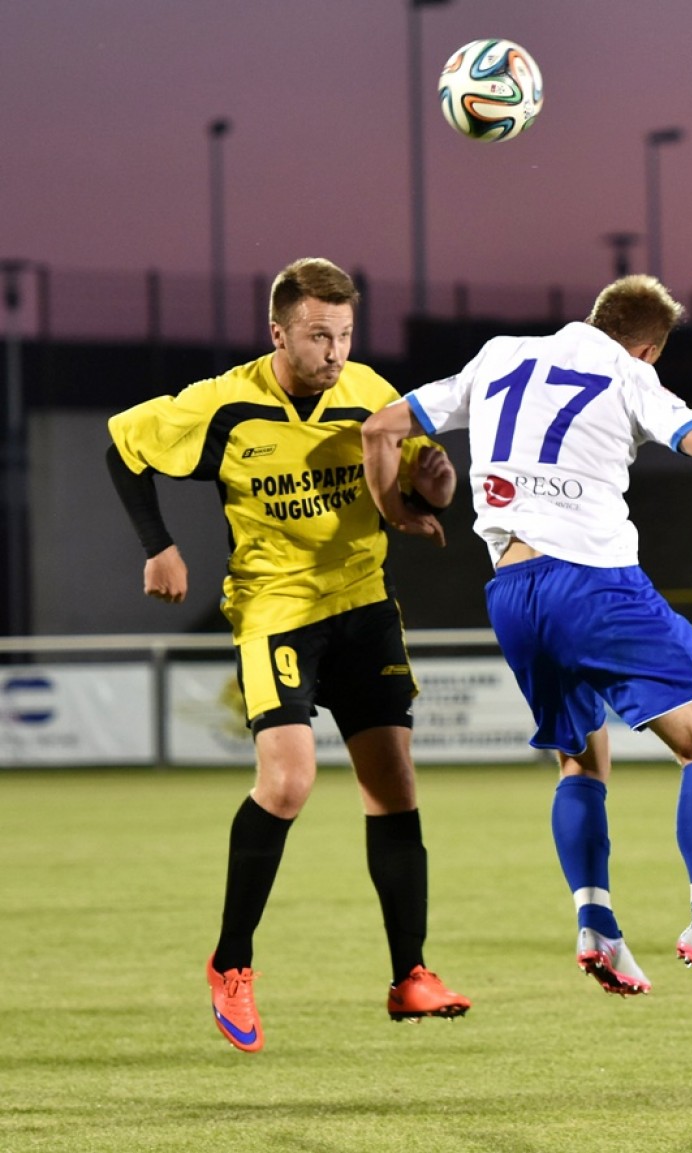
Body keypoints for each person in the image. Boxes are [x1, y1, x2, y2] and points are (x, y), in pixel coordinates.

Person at [361, 274, 692, 1012]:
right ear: (650, 348)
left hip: (513, 593)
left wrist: (398, 512)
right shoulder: (627, 373)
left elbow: (378, 429)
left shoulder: (498, 356)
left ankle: (597, 924)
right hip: (593, 585)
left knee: (581, 759)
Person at [106, 257, 471, 1052]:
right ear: (278, 333)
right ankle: (231, 963)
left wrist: (433, 489)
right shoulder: (225, 403)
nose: (335, 351)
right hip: (276, 609)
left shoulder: (371, 395)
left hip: (364, 603)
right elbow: (122, 445)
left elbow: (414, 487)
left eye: (345, 334)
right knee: (288, 781)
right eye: (318, 335)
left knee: (394, 785)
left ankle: (410, 974)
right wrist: (159, 546)